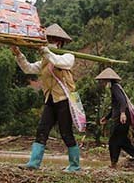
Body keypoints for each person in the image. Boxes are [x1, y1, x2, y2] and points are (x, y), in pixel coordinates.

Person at [11, 24, 81, 172]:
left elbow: (59, 62)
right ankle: (33, 163)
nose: (50, 42)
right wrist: (18, 54)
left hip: (64, 100)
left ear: (60, 43)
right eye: (48, 39)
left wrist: (46, 51)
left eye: (53, 40)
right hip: (50, 99)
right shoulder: (44, 61)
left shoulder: (68, 56)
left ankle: (74, 165)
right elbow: (28, 68)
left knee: (66, 132)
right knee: (42, 130)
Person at [96, 68, 134, 170]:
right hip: (121, 118)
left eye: (103, 81)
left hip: (122, 119)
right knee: (122, 141)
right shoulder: (116, 88)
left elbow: (122, 101)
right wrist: (107, 117)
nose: (102, 83)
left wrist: (122, 113)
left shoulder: (115, 88)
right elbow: (115, 106)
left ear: (108, 80)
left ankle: (114, 164)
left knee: (113, 141)